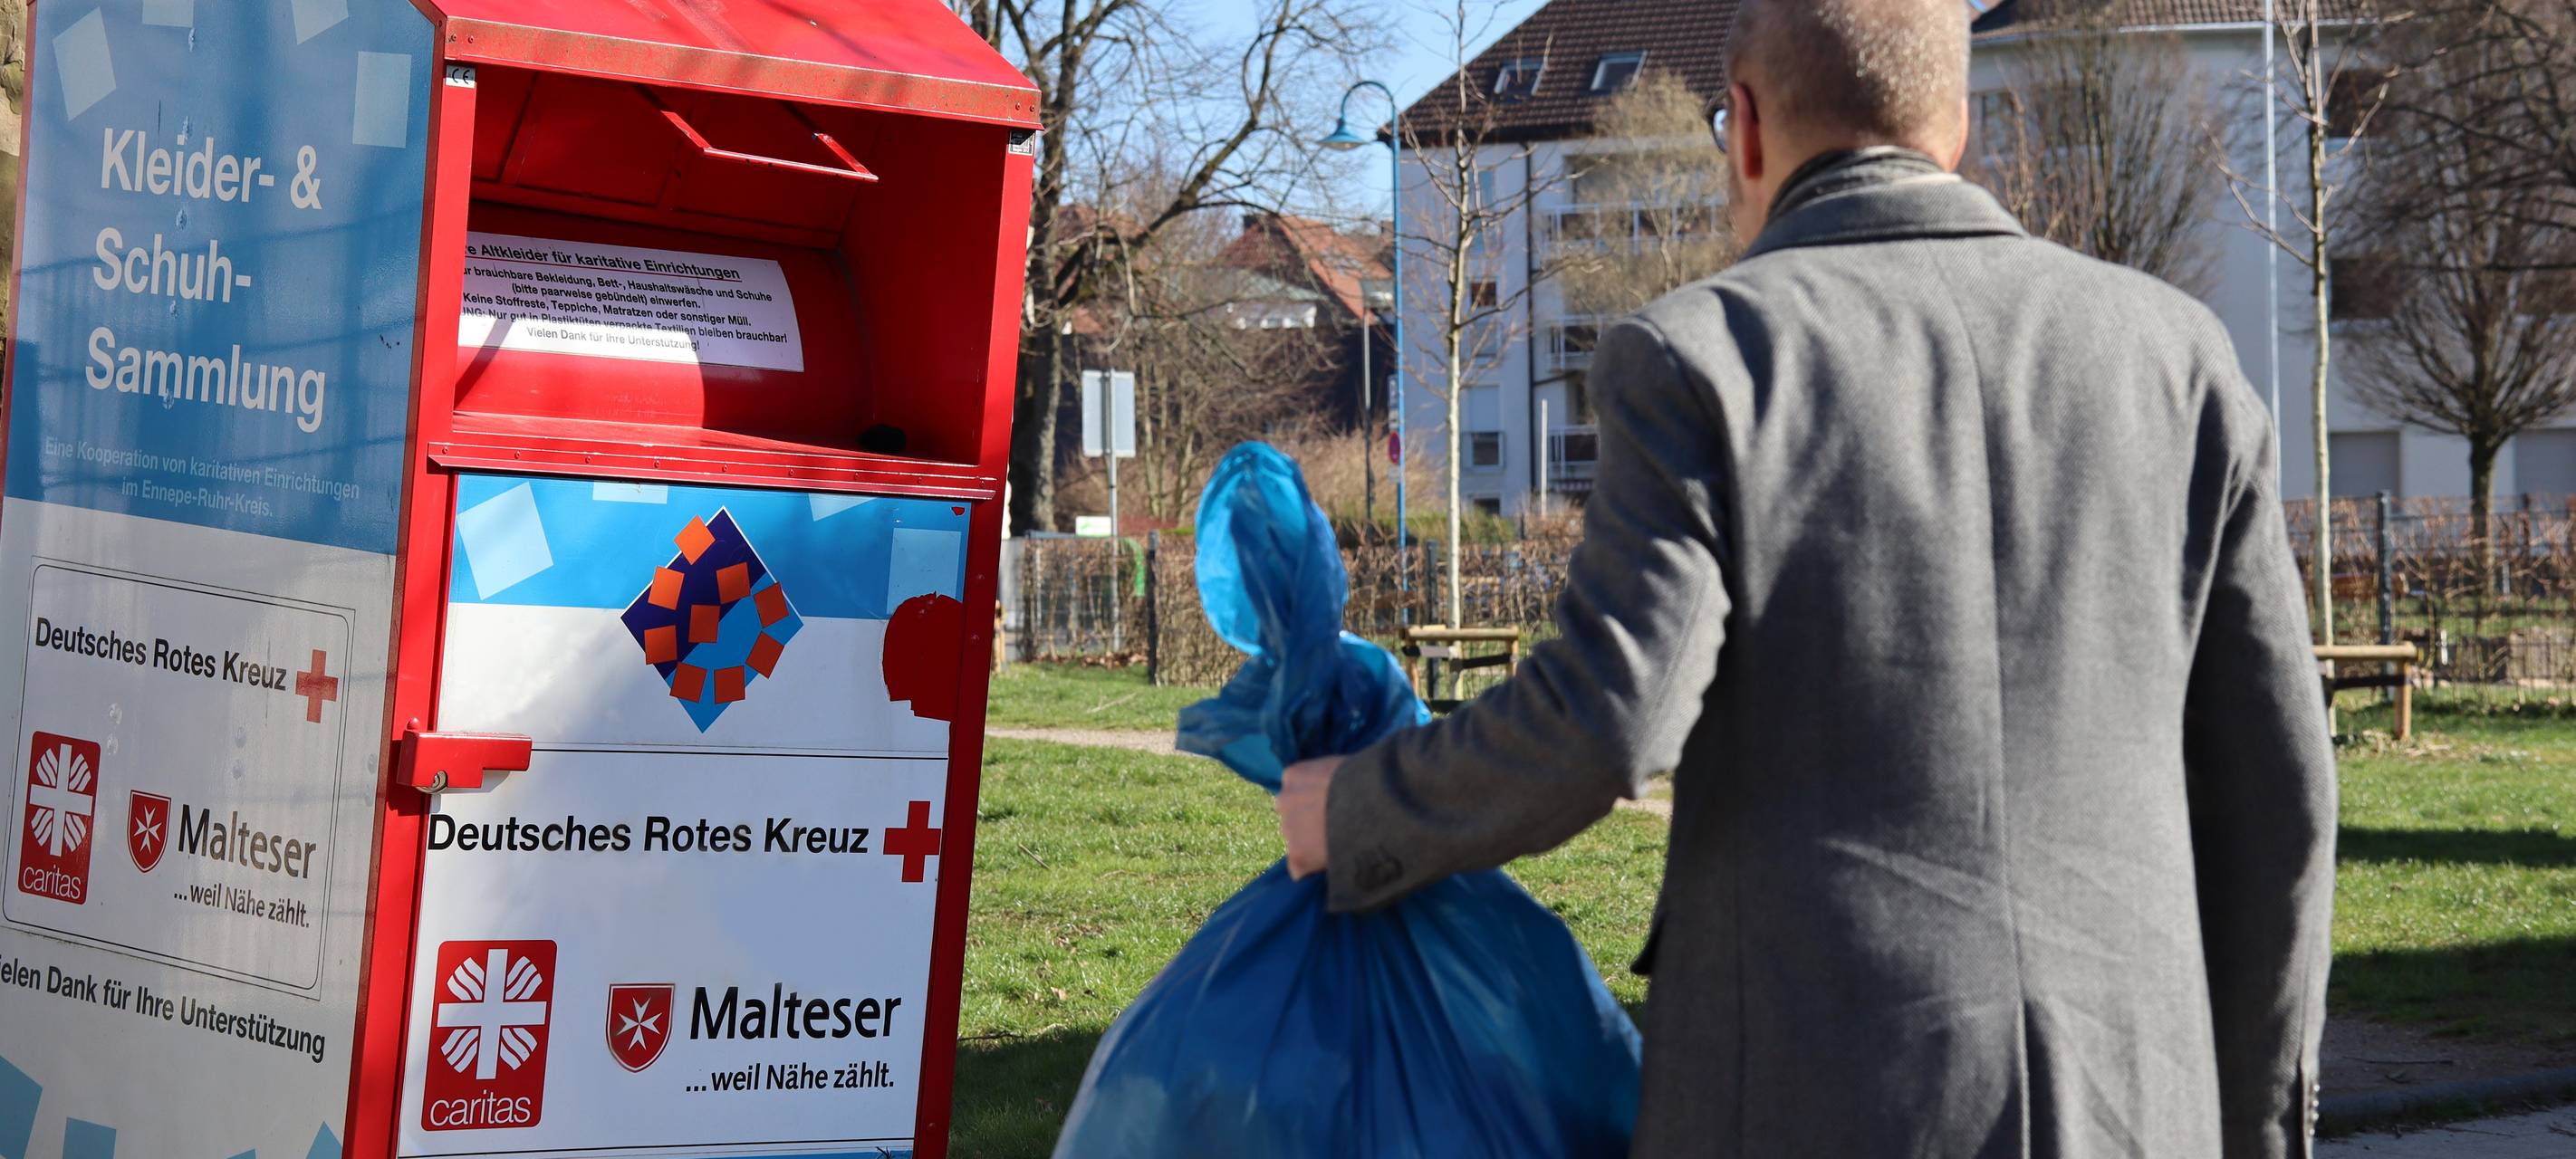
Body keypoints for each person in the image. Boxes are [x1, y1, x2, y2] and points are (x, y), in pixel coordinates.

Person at [1273, 0, 2338, 1154]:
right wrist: (2253, 1123)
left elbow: (1609, 714)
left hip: (1817, 1095)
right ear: (1960, 124)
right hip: (2139, 1100)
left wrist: (1364, 804)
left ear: (1744, 128)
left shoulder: (1699, 356)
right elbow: (2282, 797)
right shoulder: (2180, 357)